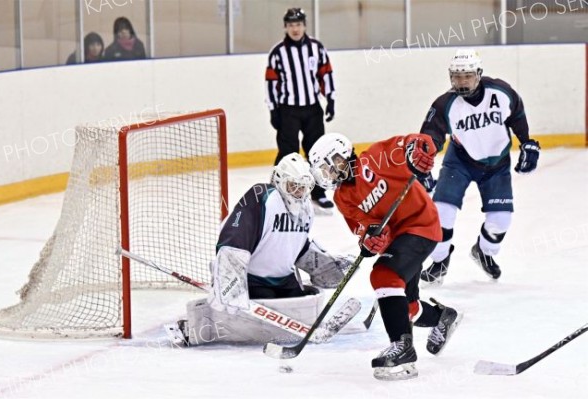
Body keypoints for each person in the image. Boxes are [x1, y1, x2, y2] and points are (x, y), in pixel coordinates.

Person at [308, 133, 462, 381]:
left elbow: (417, 142)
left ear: (342, 155)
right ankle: (443, 317)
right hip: (399, 240)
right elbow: (365, 230)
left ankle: (402, 348)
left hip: (421, 224)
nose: (329, 174)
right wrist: (370, 240)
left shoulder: (377, 157)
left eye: (329, 166)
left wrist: (420, 148)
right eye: (324, 171)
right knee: (407, 308)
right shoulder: (342, 197)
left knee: (383, 274)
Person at [167, 153, 354, 346]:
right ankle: (197, 325)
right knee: (264, 320)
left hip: (286, 281)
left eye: (305, 187)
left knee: (301, 305)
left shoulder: (306, 207)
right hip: (252, 280)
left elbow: (295, 244)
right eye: (294, 186)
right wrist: (229, 282)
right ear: (279, 180)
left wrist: (322, 265)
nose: (299, 192)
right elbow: (235, 238)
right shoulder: (262, 197)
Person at [419, 49, 540, 285]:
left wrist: (527, 142)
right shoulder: (445, 103)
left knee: (501, 220)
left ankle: (483, 252)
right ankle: (440, 261)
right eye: (456, 76)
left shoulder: (500, 91)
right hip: (459, 161)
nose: (461, 82)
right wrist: (423, 165)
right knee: (442, 211)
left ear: (479, 74)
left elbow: (517, 113)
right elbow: (429, 137)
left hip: (497, 164)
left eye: (467, 76)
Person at [265, 8, 336, 214]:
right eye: (290, 25)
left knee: (318, 152)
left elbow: (326, 73)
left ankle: (319, 192)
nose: (295, 29)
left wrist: (330, 99)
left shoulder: (316, 48)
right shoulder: (278, 52)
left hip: (313, 108)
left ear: (304, 25)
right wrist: (273, 109)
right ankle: (280, 191)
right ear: (285, 27)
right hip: (288, 109)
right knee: (287, 152)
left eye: (298, 24)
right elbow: (271, 82)